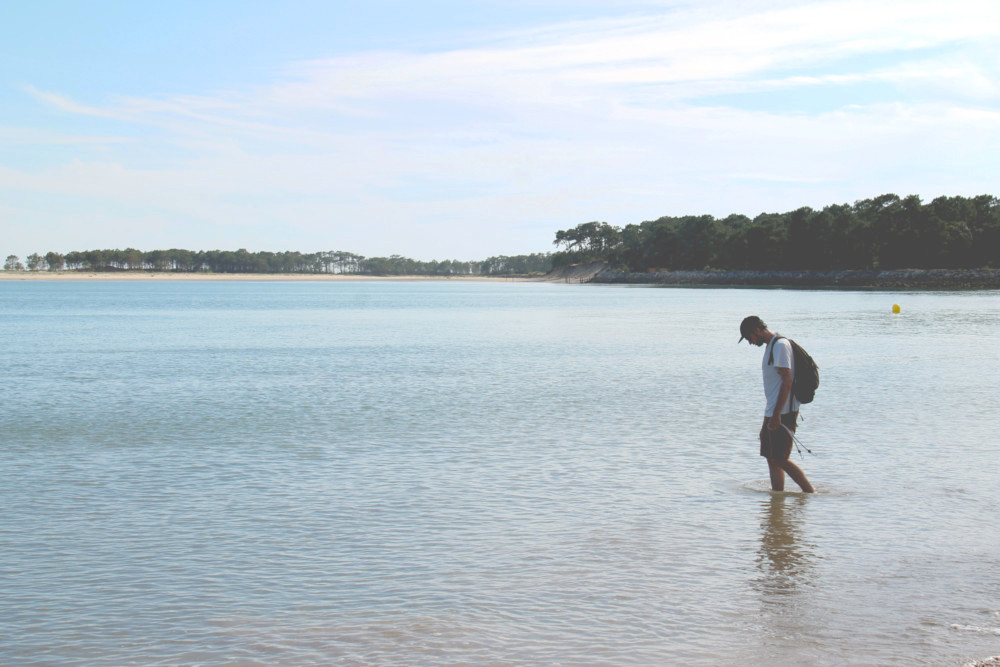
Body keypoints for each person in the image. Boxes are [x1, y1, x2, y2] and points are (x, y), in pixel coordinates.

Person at [739, 316, 815, 493]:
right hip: (773, 411)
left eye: (749, 337)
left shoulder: (780, 346)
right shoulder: (771, 346)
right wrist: (771, 414)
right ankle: (777, 498)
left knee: (780, 458)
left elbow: (787, 381)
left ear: (757, 330)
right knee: (771, 457)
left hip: (782, 412)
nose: (750, 342)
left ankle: (810, 493)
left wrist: (776, 415)